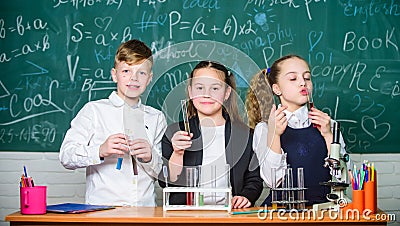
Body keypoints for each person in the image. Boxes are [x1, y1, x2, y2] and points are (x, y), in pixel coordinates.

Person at [59, 39, 167, 206]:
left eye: (141, 73)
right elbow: (66, 156)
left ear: (149, 78)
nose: (134, 78)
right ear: (114, 75)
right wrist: (100, 150)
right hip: (102, 211)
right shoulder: (94, 111)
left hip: (145, 212)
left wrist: (151, 157)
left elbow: (164, 173)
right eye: (126, 71)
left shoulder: (156, 117)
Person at [158, 61, 263, 209]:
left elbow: (254, 179)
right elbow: (167, 182)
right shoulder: (174, 132)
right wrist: (178, 153)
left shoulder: (245, 135)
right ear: (190, 92)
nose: (206, 94)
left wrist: (246, 196)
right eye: (199, 88)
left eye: (215, 88)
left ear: (227, 93)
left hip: (230, 214)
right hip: (186, 215)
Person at [246, 54, 347, 206]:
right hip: (281, 213)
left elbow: (344, 179)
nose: (303, 83)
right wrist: (275, 135)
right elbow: (272, 181)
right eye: (293, 79)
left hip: (324, 212)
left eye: (307, 78)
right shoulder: (265, 128)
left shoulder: (328, 124)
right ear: (277, 89)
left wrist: (328, 136)